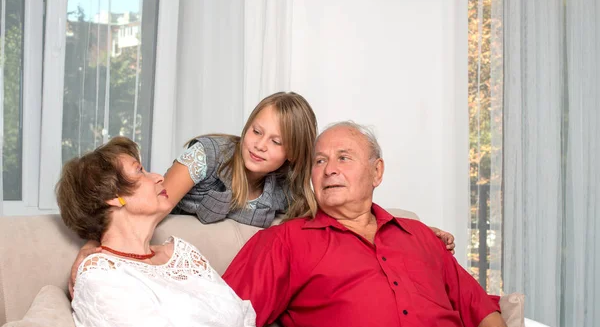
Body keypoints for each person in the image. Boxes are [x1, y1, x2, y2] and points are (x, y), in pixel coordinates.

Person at [221, 122, 582, 327]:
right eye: (319, 161)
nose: (329, 169)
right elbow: (220, 319)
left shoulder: (420, 236)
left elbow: (476, 306)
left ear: (376, 172)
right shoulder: (285, 241)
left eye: (343, 158)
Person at [70, 93, 455, 294]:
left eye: (276, 142)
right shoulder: (207, 154)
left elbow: (345, 211)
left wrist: (410, 229)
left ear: (292, 155)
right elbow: (149, 203)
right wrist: (92, 247)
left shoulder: (286, 188)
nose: (259, 146)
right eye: (256, 131)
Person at [56, 137, 346, 327]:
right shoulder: (102, 278)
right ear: (112, 198)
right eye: (139, 171)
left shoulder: (183, 255)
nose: (158, 177)